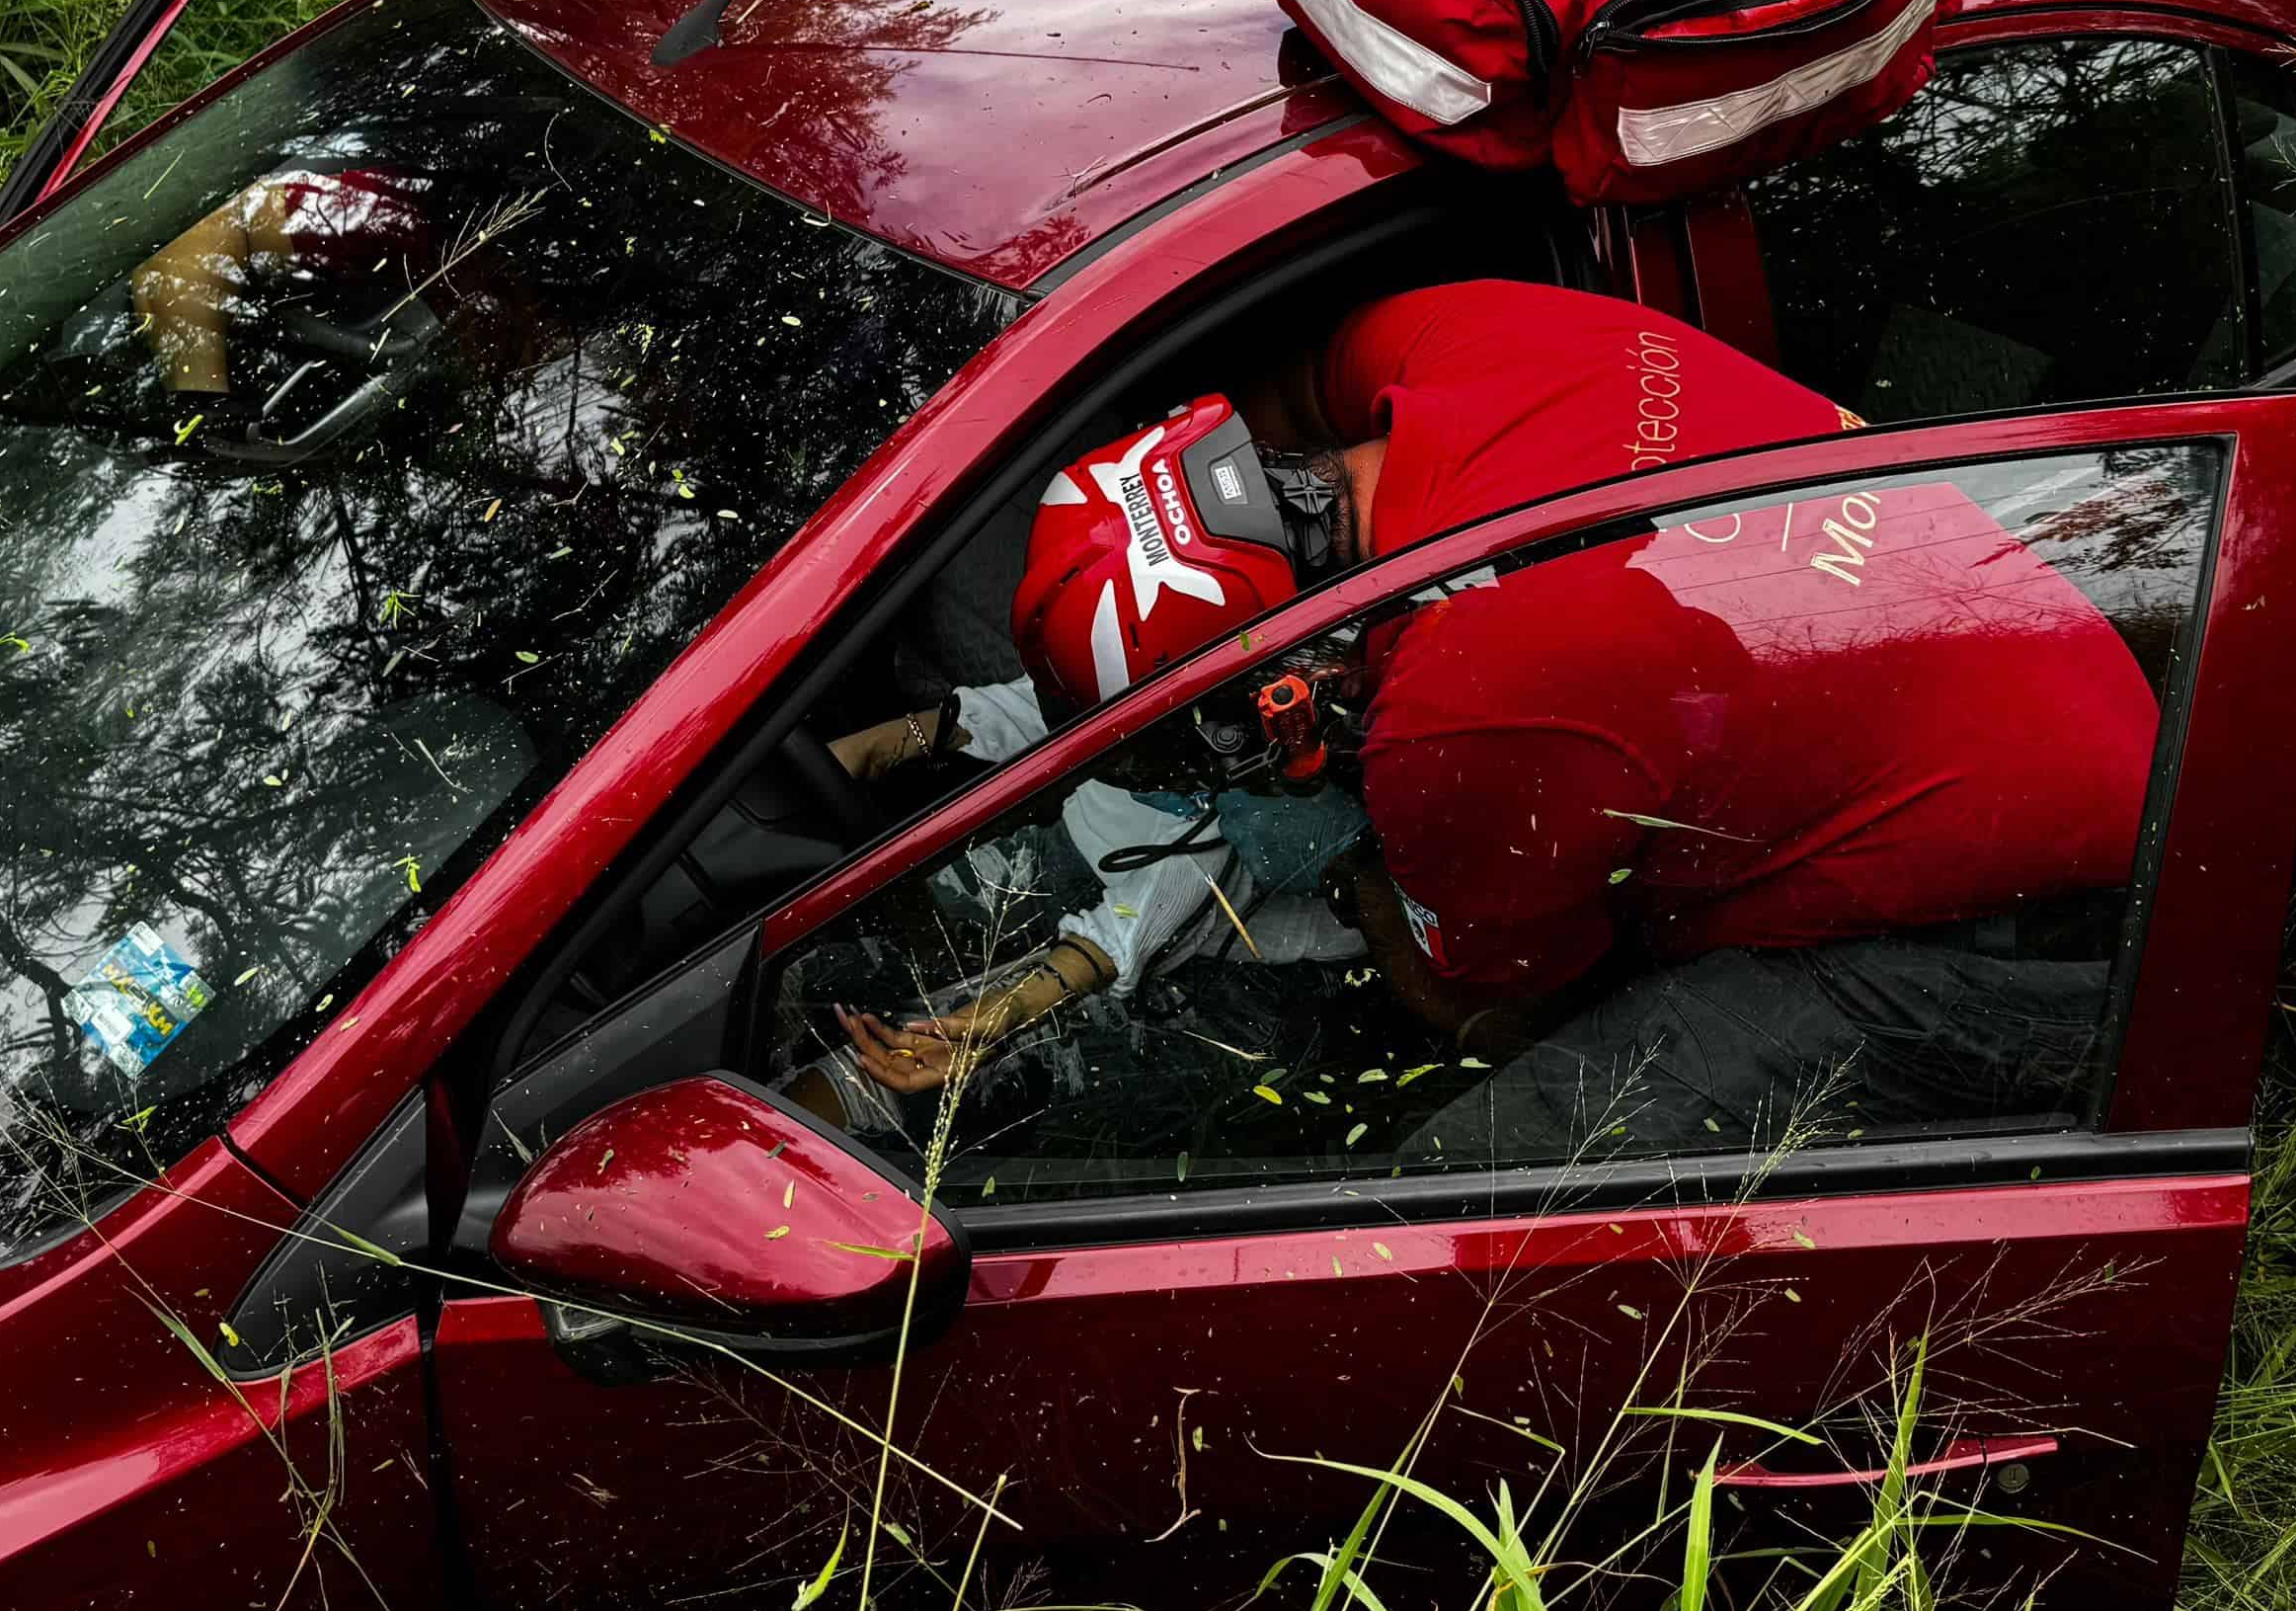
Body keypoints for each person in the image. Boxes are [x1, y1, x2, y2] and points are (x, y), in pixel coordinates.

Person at [824, 281, 2161, 1157]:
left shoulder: (1455, 735)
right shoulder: (1455, 340)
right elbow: (1300, 381)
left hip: (2068, 923)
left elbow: (1489, 990)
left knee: (1460, 1185)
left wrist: (1344, 851)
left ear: (1290, 683)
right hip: (2066, 672)